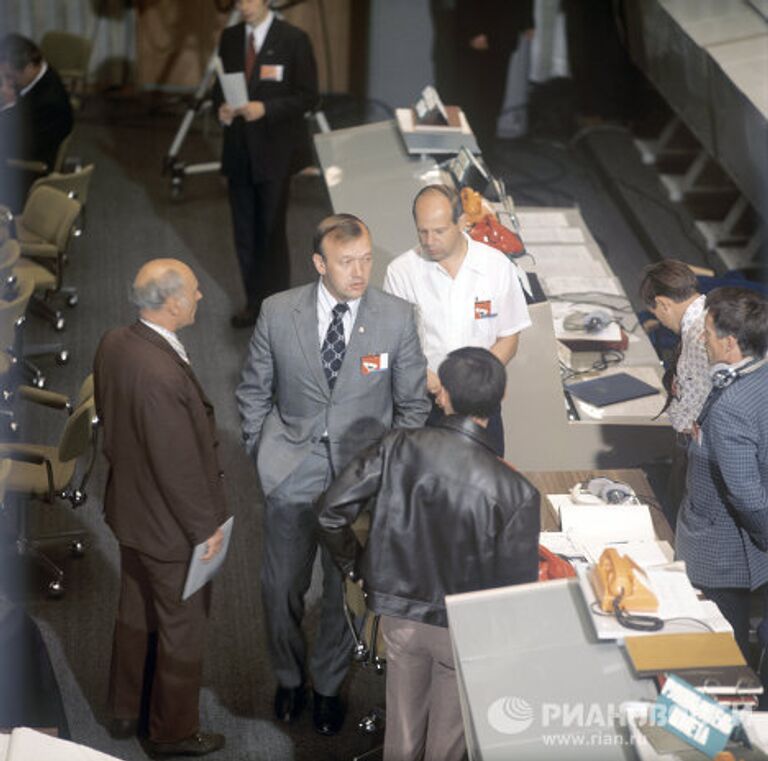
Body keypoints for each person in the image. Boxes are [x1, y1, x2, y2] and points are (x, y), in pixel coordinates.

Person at [236, 213, 430, 735]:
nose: (360, 271)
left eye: (367, 259)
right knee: (280, 588)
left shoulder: (395, 317)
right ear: (320, 263)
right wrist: (262, 453)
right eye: (347, 262)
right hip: (290, 472)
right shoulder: (278, 312)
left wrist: (387, 472)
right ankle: (288, 677)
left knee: (345, 589)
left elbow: (412, 407)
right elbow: (254, 391)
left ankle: (326, 686)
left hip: (361, 482)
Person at [317, 347, 541, 761]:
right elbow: (514, 597)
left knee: (401, 737)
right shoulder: (518, 493)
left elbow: (331, 513)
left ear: (444, 397)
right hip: (464, 632)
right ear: (500, 400)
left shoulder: (396, 445)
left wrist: (358, 566)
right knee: (448, 744)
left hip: (399, 616)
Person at [94, 259, 228, 757]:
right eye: (195, 291)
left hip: (129, 511)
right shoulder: (160, 377)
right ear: (172, 302)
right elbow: (178, 466)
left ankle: (126, 709)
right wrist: (204, 529)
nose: (201, 297)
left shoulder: (114, 342)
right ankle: (171, 732)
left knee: (135, 611)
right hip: (171, 530)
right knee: (182, 629)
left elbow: (109, 419)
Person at [383, 183, 531, 456]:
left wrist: (473, 385)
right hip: (423, 405)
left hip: (479, 405)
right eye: (422, 231)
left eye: (439, 231)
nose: (429, 241)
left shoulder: (496, 267)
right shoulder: (400, 273)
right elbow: (395, 345)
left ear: (462, 222)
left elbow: (509, 336)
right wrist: (435, 385)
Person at [676, 287, 768, 676]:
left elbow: (744, 492)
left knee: (720, 657)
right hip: (744, 551)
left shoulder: (731, 406)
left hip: (720, 552)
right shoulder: (758, 378)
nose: (702, 338)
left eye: (708, 333)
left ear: (730, 343)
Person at [214, 0, 318, 329]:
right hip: (239, 150)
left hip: (276, 152)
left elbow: (309, 96)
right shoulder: (230, 37)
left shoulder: (293, 39)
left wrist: (266, 109)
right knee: (244, 232)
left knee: (271, 233)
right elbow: (221, 87)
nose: (243, 5)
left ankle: (277, 309)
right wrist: (221, 108)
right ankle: (253, 303)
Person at [639, 260, 710, 522]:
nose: (660, 319)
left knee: (678, 519)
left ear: (664, 303)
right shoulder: (711, 311)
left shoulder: (696, 334)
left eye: (656, 311)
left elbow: (699, 396)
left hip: (699, 448)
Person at [0, 34, 73, 210]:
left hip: (25, 171)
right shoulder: (42, 74)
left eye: (10, 76)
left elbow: (13, 143)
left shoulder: (49, 103)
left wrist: (8, 105)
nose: (8, 81)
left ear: (29, 67)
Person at [455, 0, 534, 155]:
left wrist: (527, 20)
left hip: (503, 31)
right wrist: (473, 29)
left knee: (494, 95)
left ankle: (485, 148)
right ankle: (469, 150)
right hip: (480, 29)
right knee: (473, 95)